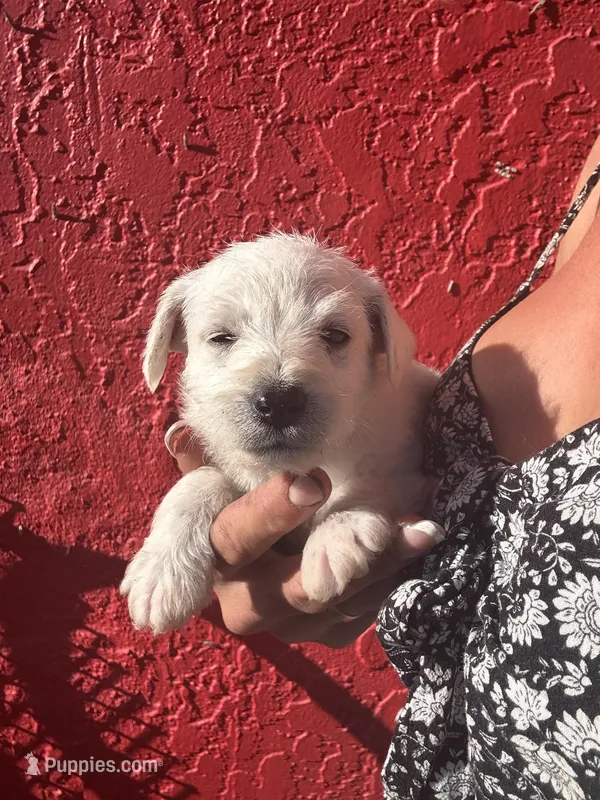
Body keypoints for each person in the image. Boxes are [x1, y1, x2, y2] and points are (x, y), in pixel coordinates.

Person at [163, 135, 600, 799]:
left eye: (331, 336)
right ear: (171, 349)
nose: (280, 380)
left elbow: (395, 479)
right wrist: (192, 509)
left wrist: (357, 517)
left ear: (384, 349)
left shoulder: (396, 399)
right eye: (223, 338)